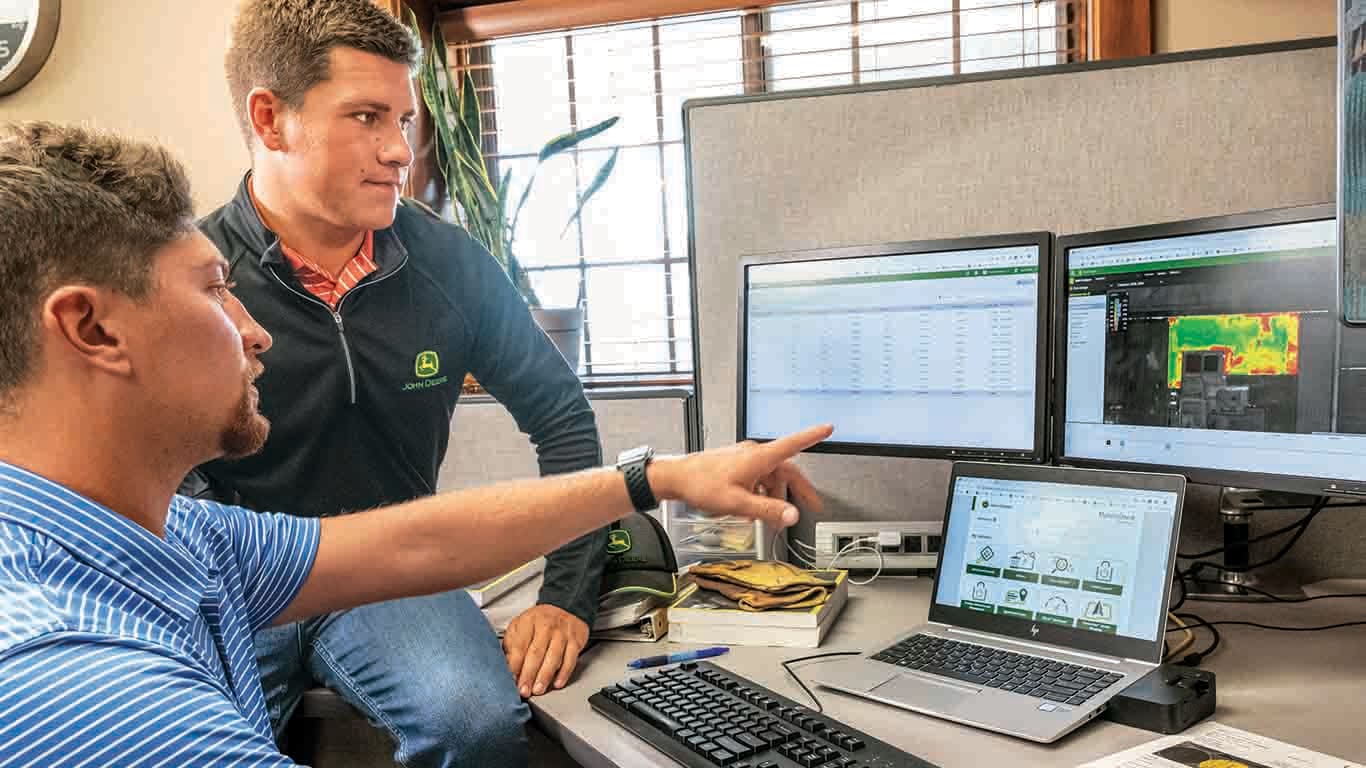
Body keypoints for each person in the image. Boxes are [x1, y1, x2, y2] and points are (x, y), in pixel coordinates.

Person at [0, 119, 832, 767]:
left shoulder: (176, 536)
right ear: (93, 328)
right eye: (217, 292)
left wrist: (658, 479)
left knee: (471, 718)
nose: (253, 333)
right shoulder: (87, 694)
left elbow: (412, 542)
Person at [188, 1, 607, 764]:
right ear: (270, 118)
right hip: (239, 582)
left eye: (403, 121)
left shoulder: (450, 264)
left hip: (394, 568)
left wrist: (565, 597)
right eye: (366, 118)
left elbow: (563, 418)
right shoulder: (193, 274)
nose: (398, 152)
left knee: (476, 725)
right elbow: (156, 466)